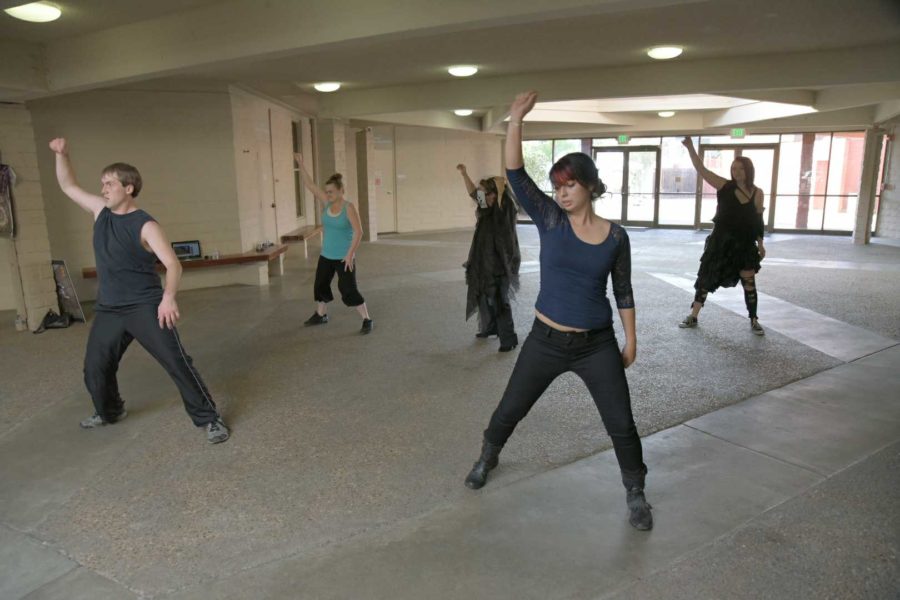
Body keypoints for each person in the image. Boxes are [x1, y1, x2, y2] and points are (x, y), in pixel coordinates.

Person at [463, 92, 652, 531]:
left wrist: (632, 339)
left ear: (589, 186)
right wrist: (515, 121)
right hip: (545, 340)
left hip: (595, 345)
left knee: (621, 422)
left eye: (570, 185)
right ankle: (487, 456)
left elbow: (622, 290)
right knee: (511, 407)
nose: (562, 193)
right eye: (558, 186)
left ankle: (636, 491)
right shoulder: (550, 219)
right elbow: (513, 171)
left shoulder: (616, 238)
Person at [48, 138, 229, 443]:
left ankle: (209, 419)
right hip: (109, 308)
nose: (103, 189)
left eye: (110, 184)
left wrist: (168, 298)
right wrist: (62, 155)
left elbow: (173, 265)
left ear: (128, 188)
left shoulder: (146, 225)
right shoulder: (99, 212)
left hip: (145, 306)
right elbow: (67, 186)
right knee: (95, 367)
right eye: (102, 184)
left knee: (177, 363)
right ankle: (110, 411)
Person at [679, 137, 766, 335]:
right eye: (734, 168)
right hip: (720, 242)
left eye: (740, 169)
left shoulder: (757, 193)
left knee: (749, 283)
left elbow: (758, 221)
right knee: (705, 278)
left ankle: (754, 319)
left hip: (744, 244)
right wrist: (691, 148)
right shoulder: (724, 186)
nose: (736, 172)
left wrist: (760, 244)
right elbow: (702, 170)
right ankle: (693, 315)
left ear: (748, 171)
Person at [294, 153, 373, 334]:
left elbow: (359, 232)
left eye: (331, 191)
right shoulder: (328, 204)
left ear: (340, 191)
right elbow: (310, 185)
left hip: (344, 257)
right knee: (320, 285)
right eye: (327, 191)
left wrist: (350, 254)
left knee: (348, 290)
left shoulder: (348, 207)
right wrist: (301, 163)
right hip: (326, 255)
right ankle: (321, 314)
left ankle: (367, 319)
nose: (327, 194)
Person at [456, 164, 521, 352]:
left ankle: (508, 339)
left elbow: (502, 196)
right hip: (482, 257)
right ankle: (490, 327)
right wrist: (464, 174)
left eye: (485, 191)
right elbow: (472, 192)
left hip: (501, 261)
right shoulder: (485, 205)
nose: (481, 195)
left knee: (500, 299)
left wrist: (501, 185)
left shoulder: (505, 207)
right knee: (484, 295)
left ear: (495, 193)